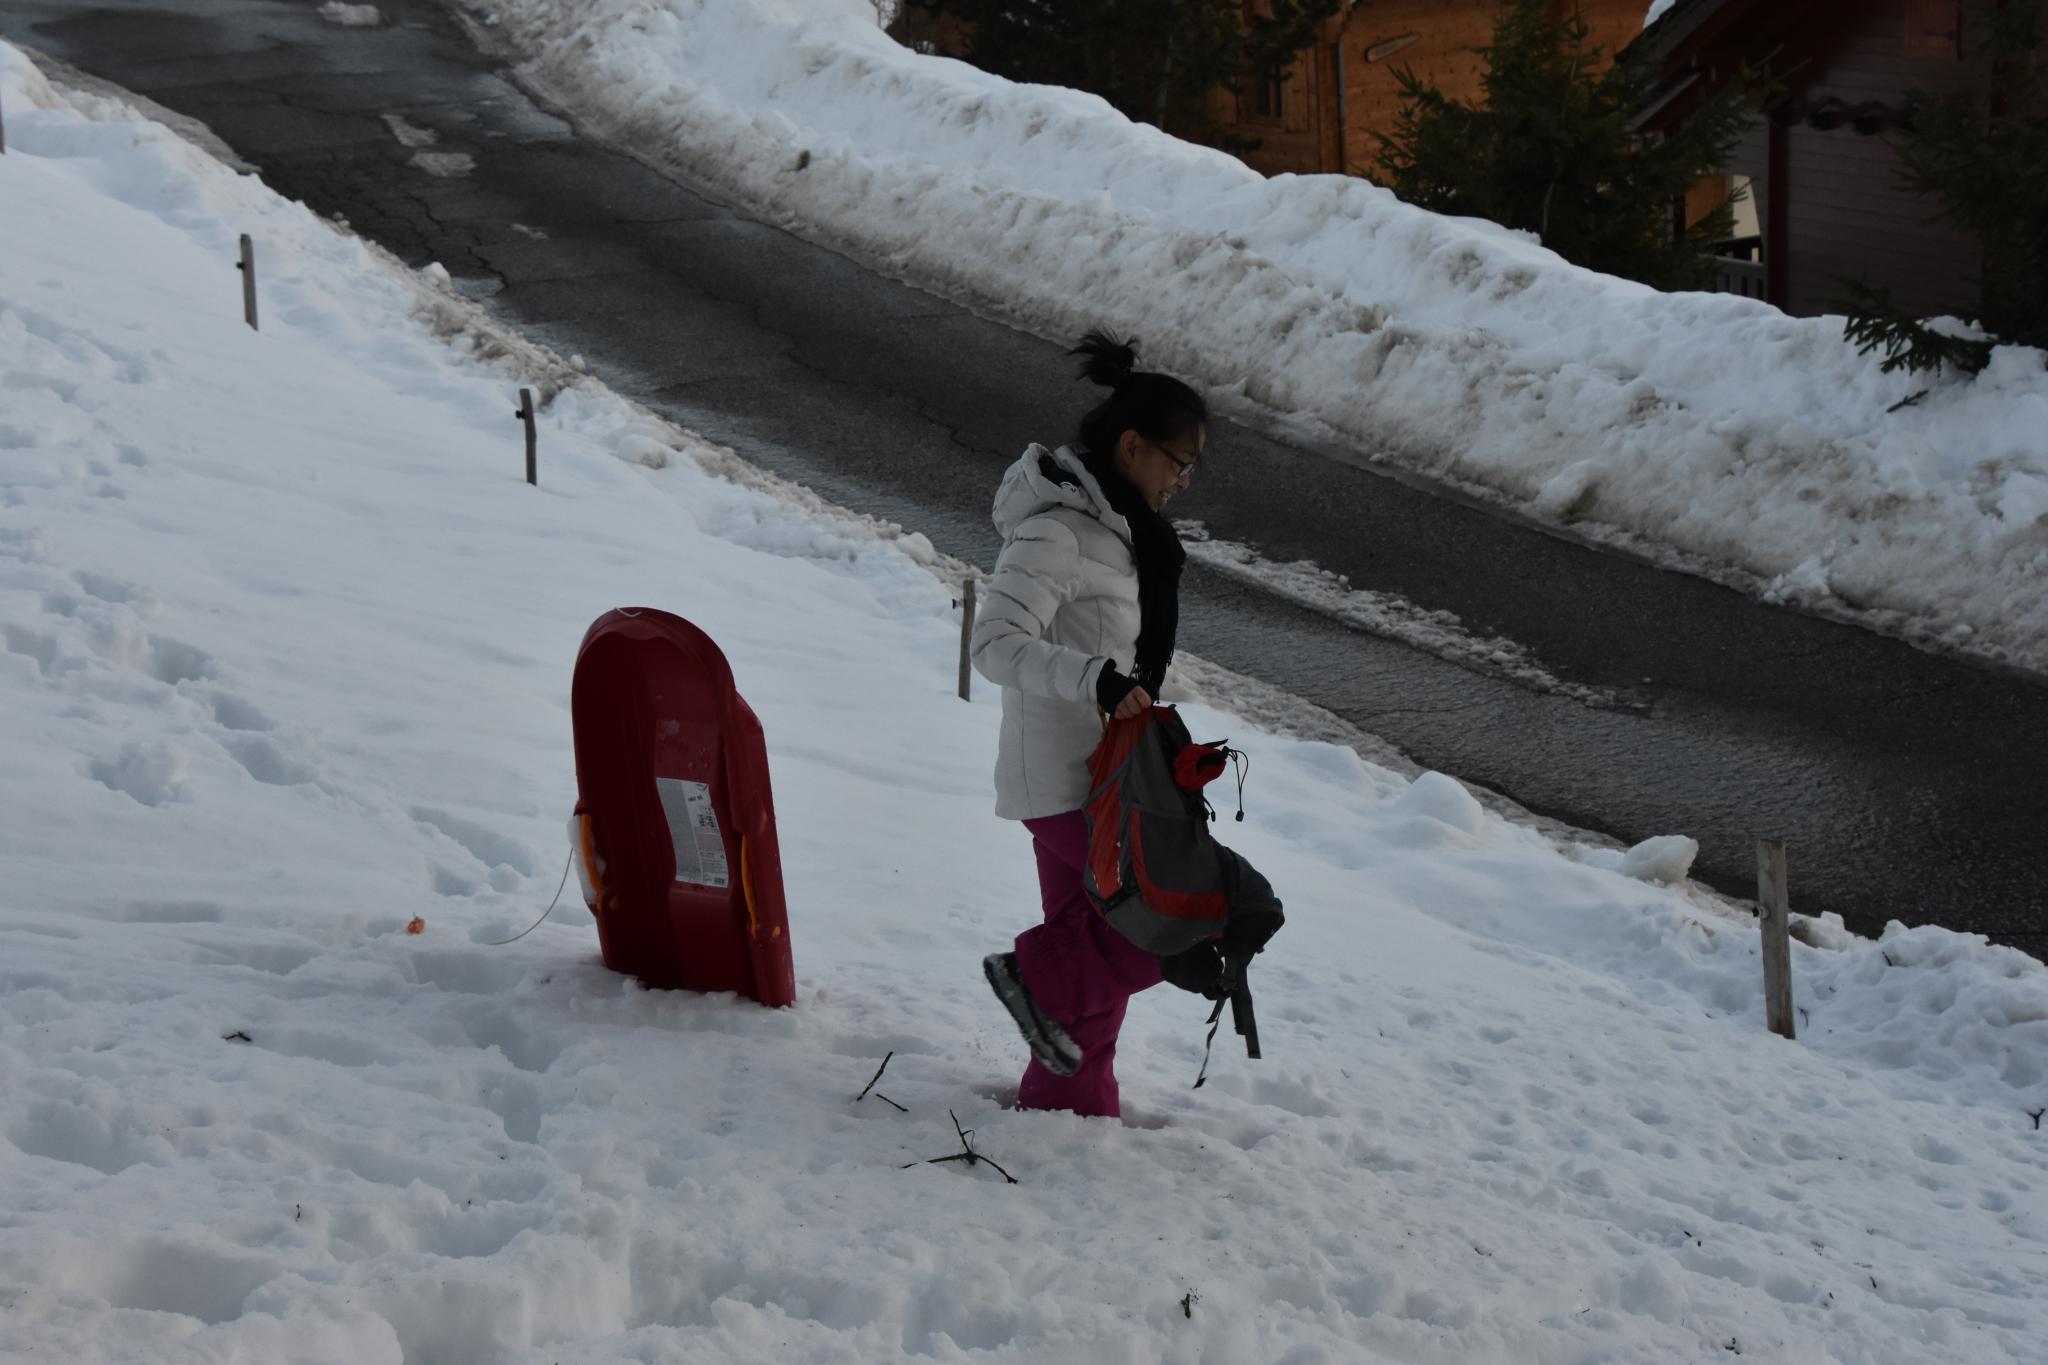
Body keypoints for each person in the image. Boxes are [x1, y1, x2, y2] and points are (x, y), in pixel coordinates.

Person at [972, 329, 1206, 1119]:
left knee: (1094, 949)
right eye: (1179, 462)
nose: (1183, 481)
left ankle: (1067, 1105)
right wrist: (1095, 678)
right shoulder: (1058, 531)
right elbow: (993, 643)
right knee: (1169, 917)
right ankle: (1030, 979)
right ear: (1133, 446)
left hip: (1109, 775)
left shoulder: (1124, 534)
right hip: (1062, 779)